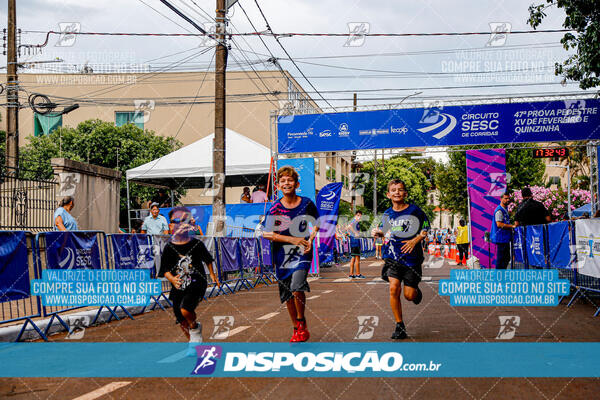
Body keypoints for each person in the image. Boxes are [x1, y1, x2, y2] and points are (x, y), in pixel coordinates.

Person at [260, 166, 320, 342]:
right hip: (282, 254)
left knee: (297, 285)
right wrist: (290, 240)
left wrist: (311, 238)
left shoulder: (306, 203)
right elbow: (265, 233)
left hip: (302, 251)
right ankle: (297, 328)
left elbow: (317, 222)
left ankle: (301, 320)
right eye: (283, 181)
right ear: (278, 186)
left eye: (290, 180)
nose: (286, 183)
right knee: (287, 293)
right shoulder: (275, 207)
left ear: (296, 184)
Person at [372, 179, 429, 340]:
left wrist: (415, 240)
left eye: (400, 189)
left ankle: (416, 293)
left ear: (405, 193)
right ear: (388, 194)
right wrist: (378, 233)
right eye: (394, 190)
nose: (397, 192)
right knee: (393, 287)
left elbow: (425, 226)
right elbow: (385, 232)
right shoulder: (387, 214)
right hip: (392, 257)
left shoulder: (414, 211)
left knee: (409, 296)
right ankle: (399, 325)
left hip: (412, 258)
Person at [158, 206, 220, 345]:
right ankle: (193, 341)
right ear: (171, 225)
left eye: (184, 221)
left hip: (197, 282)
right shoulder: (169, 247)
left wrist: (212, 274)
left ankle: (194, 327)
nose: (180, 224)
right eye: (176, 221)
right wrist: (172, 279)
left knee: (186, 309)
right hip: (178, 285)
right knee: (180, 318)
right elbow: (164, 270)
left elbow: (208, 259)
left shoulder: (196, 244)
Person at [491, 193, 515, 270]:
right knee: (501, 259)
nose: (507, 200)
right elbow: (499, 224)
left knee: (506, 258)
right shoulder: (499, 210)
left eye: (508, 199)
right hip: (501, 238)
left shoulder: (505, 210)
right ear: (501, 199)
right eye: (505, 198)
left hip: (505, 238)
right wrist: (512, 226)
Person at [347, 211, 365, 279]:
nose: (359, 217)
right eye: (358, 215)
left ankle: (351, 274)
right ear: (355, 215)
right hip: (355, 241)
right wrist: (355, 233)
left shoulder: (356, 222)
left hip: (354, 241)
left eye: (360, 216)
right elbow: (349, 226)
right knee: (357, 258)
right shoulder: (354, 221)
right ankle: (358, 274)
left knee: (353, 258)